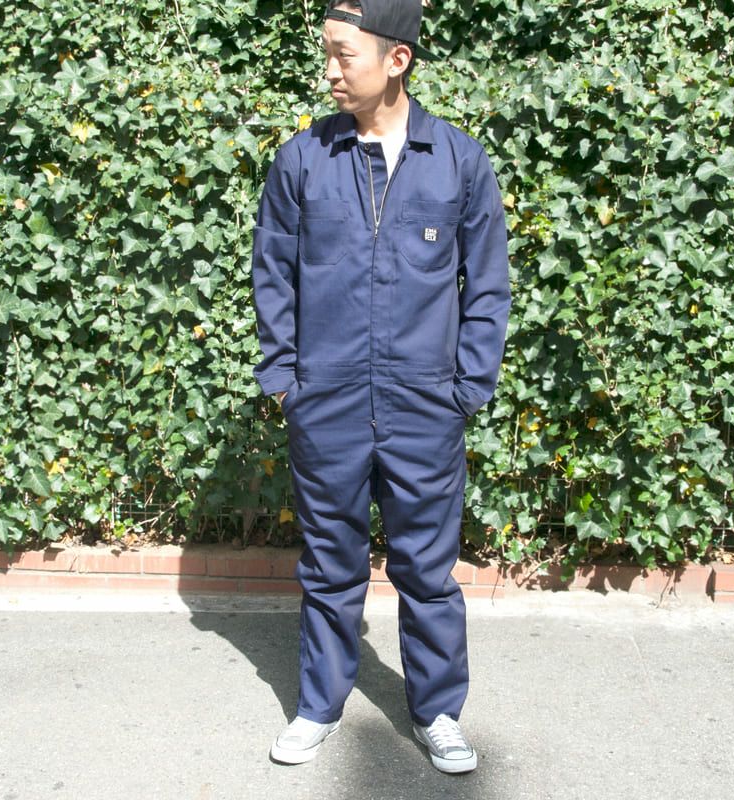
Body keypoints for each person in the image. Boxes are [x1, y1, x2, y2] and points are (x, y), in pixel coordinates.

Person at [251, 0, 510, 774]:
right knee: (328, 566)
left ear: (397, 60)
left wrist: (466, 389)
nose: (330, 70)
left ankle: (437, 711)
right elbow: (272, 276)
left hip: (425, 406)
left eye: (344, 54)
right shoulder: (302, 160)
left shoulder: (458, 161)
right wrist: (285, 382)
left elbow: (487, 287)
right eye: (326, 52)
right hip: (325, 403)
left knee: (427, 570)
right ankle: (318, 705)